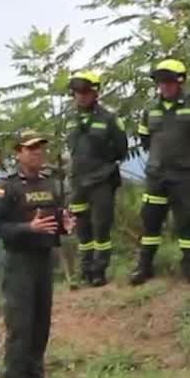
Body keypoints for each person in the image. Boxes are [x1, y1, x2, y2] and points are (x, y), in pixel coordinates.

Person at [0, 131, 75, 378]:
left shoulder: (51, 184)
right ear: (19, 153)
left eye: (40, 148)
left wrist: (65, 226)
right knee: (20, 326)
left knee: (41, 325)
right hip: (19, 263)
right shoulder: (7, 187)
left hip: (44, 259)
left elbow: (56, 217)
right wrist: (28, 227)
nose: (37, 152)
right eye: (31, 148)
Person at [132, 59, 190, 285]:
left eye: (169, 81)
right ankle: (144, 266)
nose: (165, 86)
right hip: (156, 175)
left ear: (180, 82)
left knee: (185, 221)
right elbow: (145, 140)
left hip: (184, 175)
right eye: (161, 82)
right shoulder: (149, 109)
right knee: (150, 221)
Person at [66, 70, 128, 287]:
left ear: (95, 93)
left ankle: (99, 270)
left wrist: (104, 165)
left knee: (101, 226)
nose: (81, 96)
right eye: (76, 92)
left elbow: (122, 149)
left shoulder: (109, 119)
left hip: (102, 180)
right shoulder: (70, 120)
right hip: (77, 182)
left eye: (85, 92)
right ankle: (85, 269)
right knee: (82, 229)